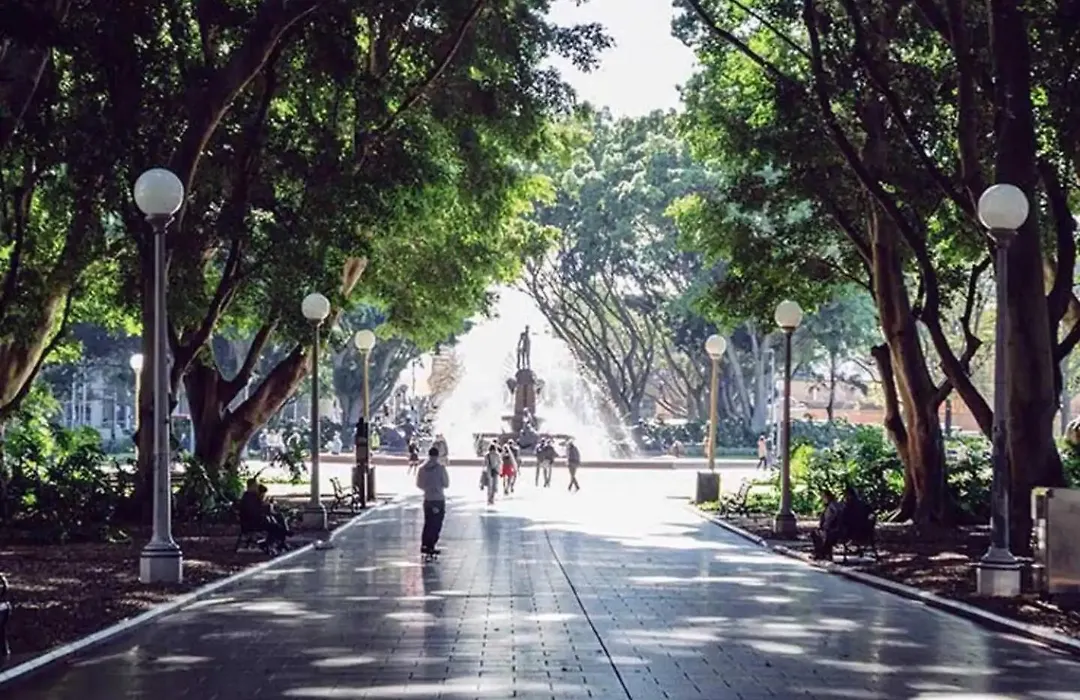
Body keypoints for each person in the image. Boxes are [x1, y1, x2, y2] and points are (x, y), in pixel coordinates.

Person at [416, 445, 450, 556]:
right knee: (437, 523)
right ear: (437, 455)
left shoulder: (422, 468)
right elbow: (446, 484)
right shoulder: (441, 468)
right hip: (438, 499)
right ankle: (431, 545)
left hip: (427, 499)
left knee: (428, 522)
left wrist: (428, 488)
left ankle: (425, 544)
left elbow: (419, 484)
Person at [810, 489, 844, 560]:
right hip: (831, 529)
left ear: (828, 497)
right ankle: (821, 553)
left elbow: (831, 519)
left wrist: (824, 527)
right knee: (816, 533)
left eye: (824, 497)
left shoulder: (832, 506)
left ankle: (820, 553)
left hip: (834, 530)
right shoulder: (831, 506)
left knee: (819, 534)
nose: (823, 499)